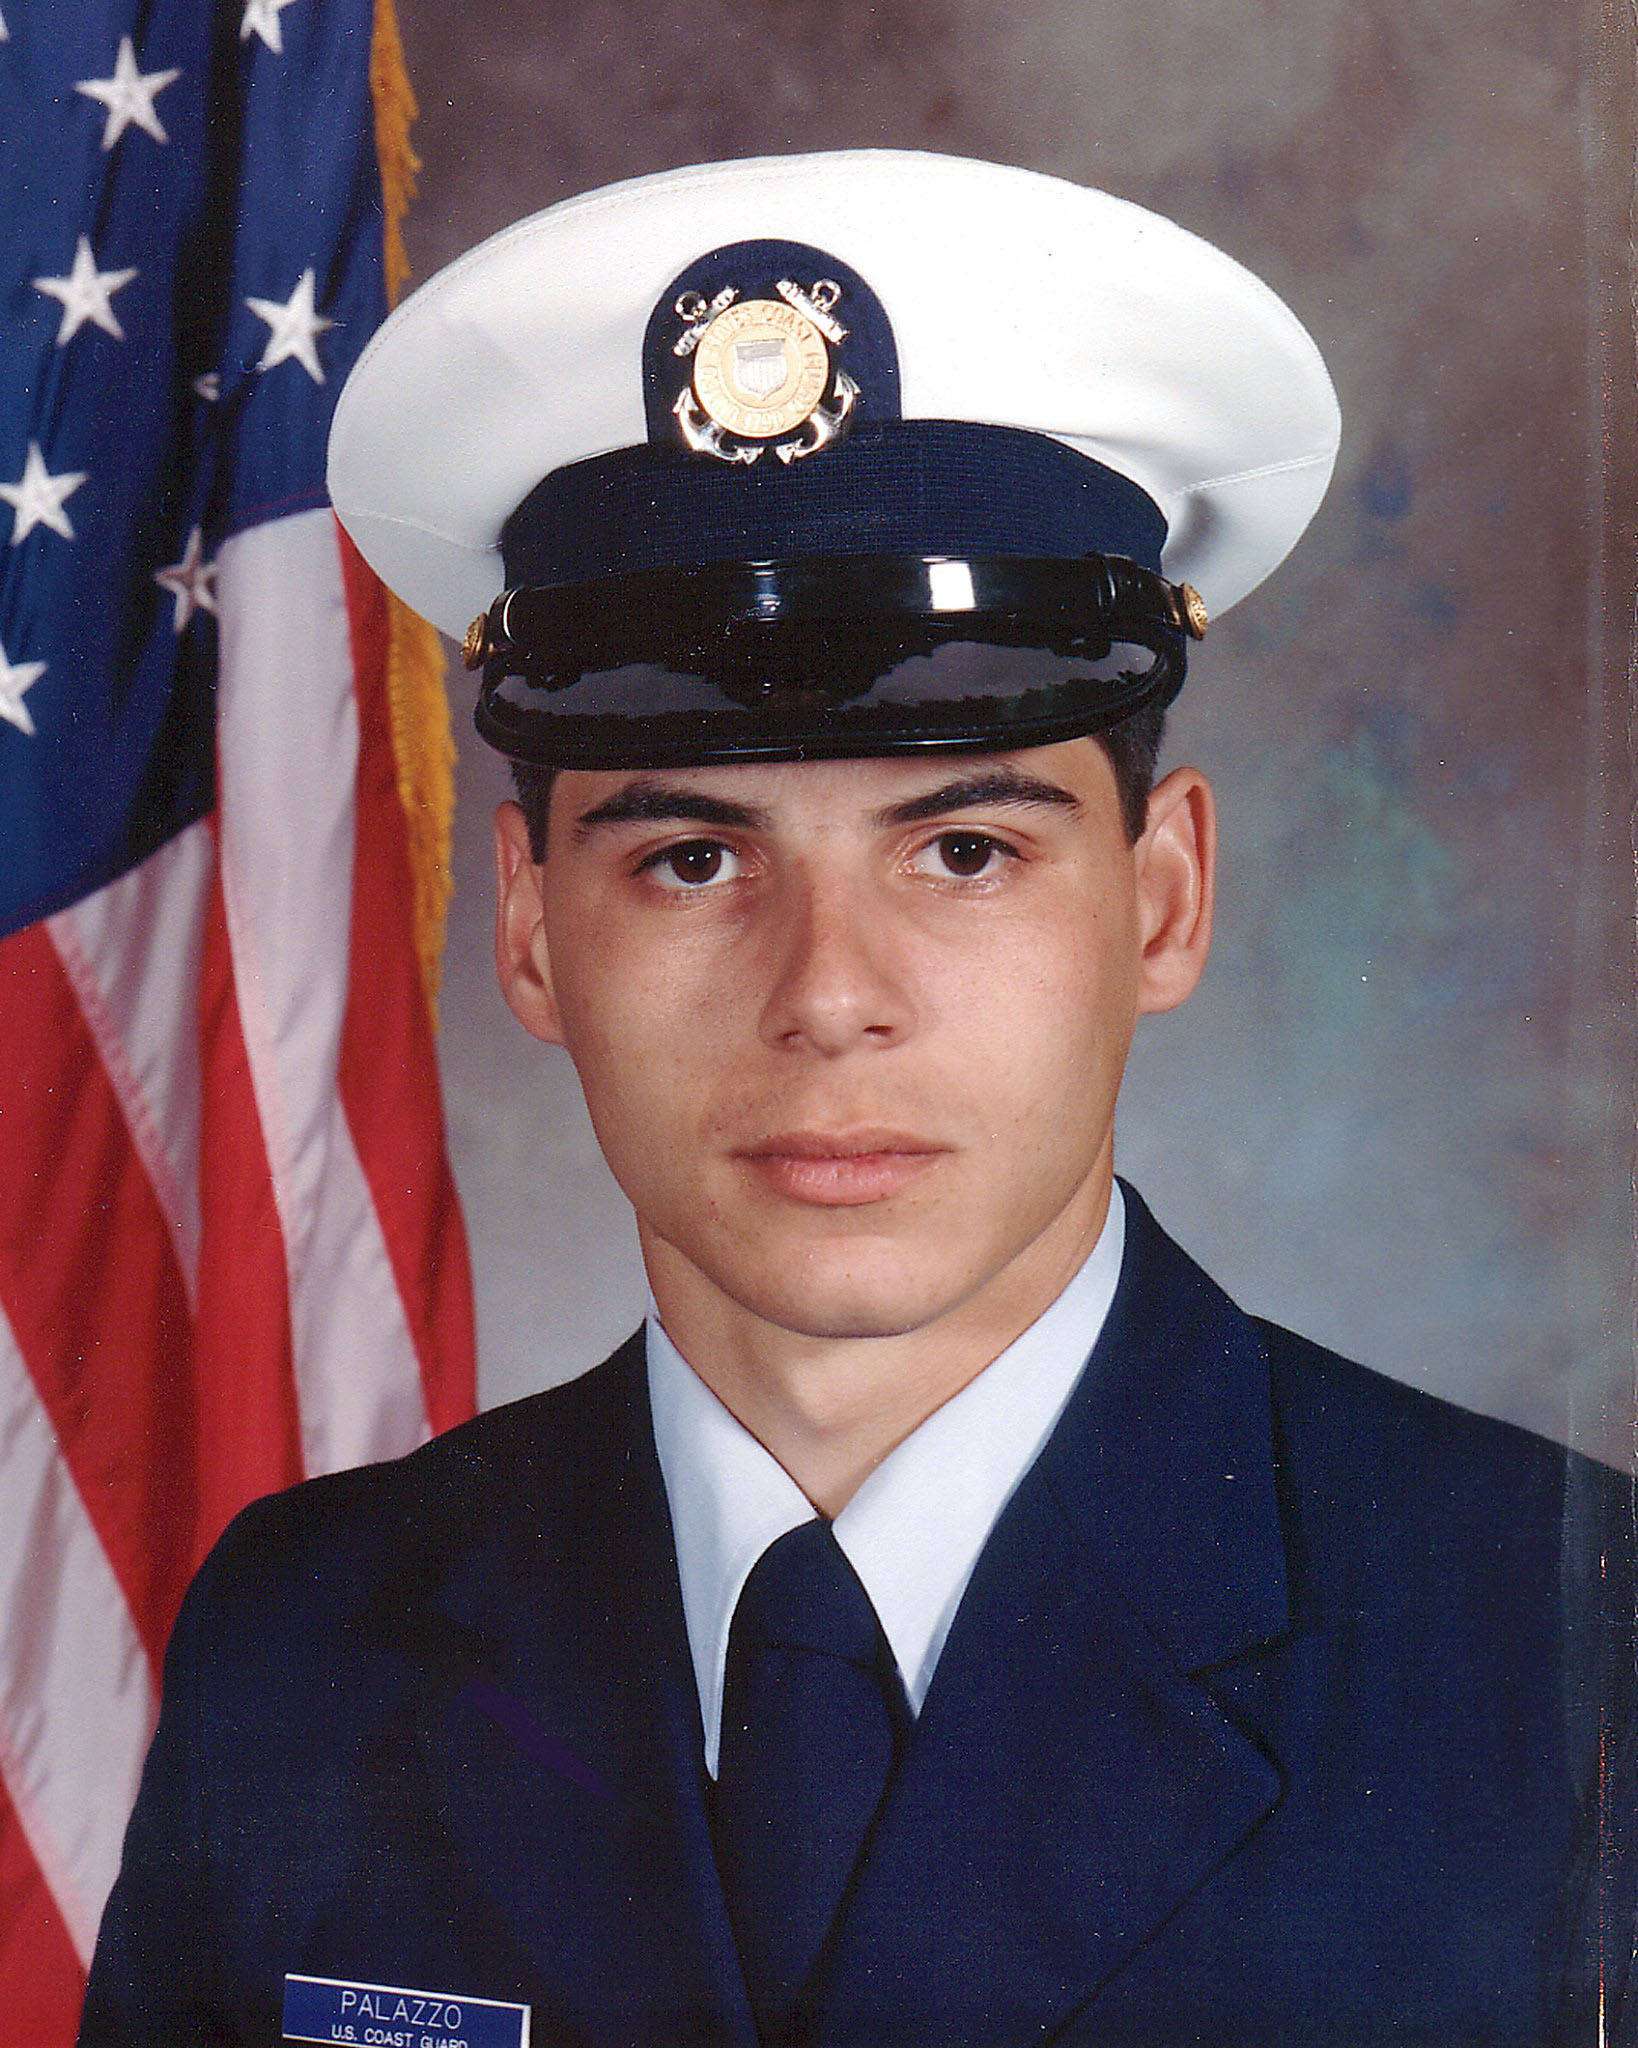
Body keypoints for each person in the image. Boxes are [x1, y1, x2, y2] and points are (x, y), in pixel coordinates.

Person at [81, 150, 1633, 2048]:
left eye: (963, 851)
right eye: (690, 860)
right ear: (534, 933)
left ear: (1160, 902)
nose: (827, 999)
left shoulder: (1559, 1651)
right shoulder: (309, 1635)